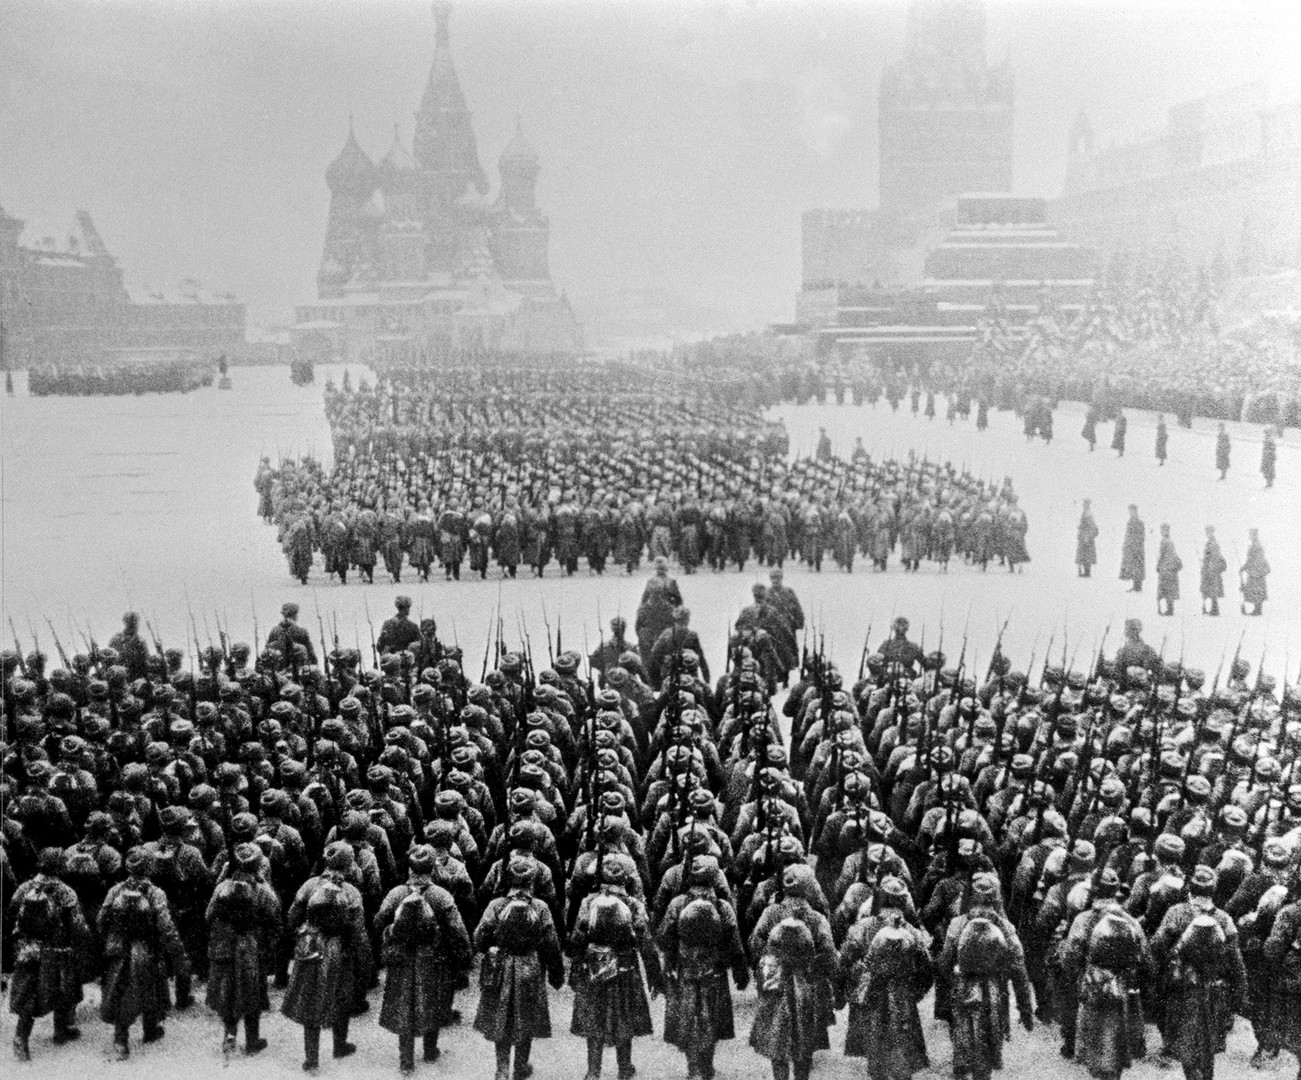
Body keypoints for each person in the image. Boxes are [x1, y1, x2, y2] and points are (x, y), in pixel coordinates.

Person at [376, 845, 473, 1074]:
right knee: (434, 1000)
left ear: (410, 867)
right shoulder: (441, 895)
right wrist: (463, 958)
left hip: (401, 957)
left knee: (403, 1004)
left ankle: (406, 1061)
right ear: (433, 867)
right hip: (434, 958)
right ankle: (430, 1050)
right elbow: (458, 931)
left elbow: (380, 920)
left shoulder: (396, 893)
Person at [568, 859, 664, 1080]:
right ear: (626, 879)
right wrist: (654, 977)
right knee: (625, 1016)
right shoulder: (634, 905)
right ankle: (624, 1068)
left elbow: (578, 937)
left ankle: (593, 1071)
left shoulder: (589, 902)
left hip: (594, 967)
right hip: (625, 966)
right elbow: (646, 942)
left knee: (594, 1015)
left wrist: (574, 968)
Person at [656, 856, 749, 1080]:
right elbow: (734, 940)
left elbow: (663, 936)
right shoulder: (722, 906)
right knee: (713, 1018)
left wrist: (670, 958)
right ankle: (707, 1066)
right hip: (714, 971)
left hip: (685, 969)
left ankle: (692, 1068)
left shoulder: (678, 903)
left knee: (687, 1017)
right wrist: (739, 969)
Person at [282, 841, 372, 1072]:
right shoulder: (351, 892)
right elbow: (358, 930)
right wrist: (362, 959)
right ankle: (339, 1045)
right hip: (339, 949)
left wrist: (297, 937)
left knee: (312, 1000)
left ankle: (312, 1059)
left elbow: (293, 915)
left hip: (311, 944)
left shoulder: (310, 885)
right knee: (341, 996)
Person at [1149, 867, 1246, 1080]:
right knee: (1208, 1045)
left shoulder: (1176, 912)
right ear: (1213, 890)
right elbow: (1235, 961)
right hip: (1215, 990)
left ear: (1189, 889)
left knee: (1186, 1044)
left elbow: (1156, 947)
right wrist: (1239, 995)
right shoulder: (1224, 918)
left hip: (1181, 989)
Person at [473, 857, 565, 1080]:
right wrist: (556, 971)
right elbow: (551, 943)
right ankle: (520, 1067)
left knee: (501, 1016)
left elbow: (479, 937)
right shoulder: (540, 907)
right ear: (532, 880)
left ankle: (502, 1069)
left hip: (500, 966)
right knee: (527, 1016)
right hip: (530, 966)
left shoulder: (496, 905)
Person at [937, 872, 1034, 1080]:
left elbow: (944, 962)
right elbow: (1018, 968)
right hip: (994, 989)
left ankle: (961, 1063)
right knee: (991, 1039)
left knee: (961, 1033)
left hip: (963, 986)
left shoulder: (957, 924)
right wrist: (1025, 1008)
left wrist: (951, 981)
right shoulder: (1006, 927)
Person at [98, 846, 191, 1060]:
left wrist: (110, 939)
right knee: (154, 985)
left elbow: (101, 920)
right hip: (148, 947)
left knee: (120, 989)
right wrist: (177, 953)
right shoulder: (155, 893)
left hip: (119, 946)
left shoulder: (115, 890)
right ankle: (150, 1029)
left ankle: (121, 1039)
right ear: (150, 866)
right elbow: (166, 925)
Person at [836, 876, 932, 1080]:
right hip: (903, 994)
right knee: (904, 1047)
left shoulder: (863, 926)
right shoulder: (911, 931)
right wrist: (916, 993)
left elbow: (844, 960)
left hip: (872, 992)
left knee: (875, 1048)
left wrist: (848, 988)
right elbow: (926, 967)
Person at [8, 848, 90, 1060]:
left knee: (29, 992)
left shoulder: (24, 887)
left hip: (29, 947)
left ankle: (21, 1038)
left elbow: (12, 911)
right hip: (57, 947)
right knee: (64, 986)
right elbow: (78, 925)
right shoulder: (65, 891)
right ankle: (60, 1032)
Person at [205, 841, 281, 1056]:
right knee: (251, 992)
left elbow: (208, 916)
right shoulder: (264, 890)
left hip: (225, 943)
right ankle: (252, 1040)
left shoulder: (222, 887)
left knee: (228, 991)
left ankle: (229, 1036)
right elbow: (274, 918)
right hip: (250, 944)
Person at [635, 558, 683, 670]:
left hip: (651, 629)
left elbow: (643, 600)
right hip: (666, 623)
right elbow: (679, 601)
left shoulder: (651, 582)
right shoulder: (671, 582)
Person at [267, 602, 317, 667]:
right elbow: (312, 656)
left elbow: (267, 652)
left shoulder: (274, 631)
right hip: (298, 671)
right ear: (295, 615)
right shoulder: (302, 632)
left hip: (278, 671)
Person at [107, 612, 151, 680]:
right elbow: (109, 660)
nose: (135, 625)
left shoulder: (141, 641)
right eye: (132, 623)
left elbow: (146, 661)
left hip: (138, 678)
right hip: (119, 678)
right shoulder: (116, 639)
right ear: (126, 623)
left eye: (136, 623)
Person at [1240, 529, 1270, 616]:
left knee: (1257, 590)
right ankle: (1257, 609)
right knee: (1255, 590)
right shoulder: (1254, 545)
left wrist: (1249, 568)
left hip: (1257, 572)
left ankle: (1258, 610)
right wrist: (1244, 567)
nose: (1249, 536)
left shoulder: (1257, 546)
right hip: (1255, 571)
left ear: (1254, 535)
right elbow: (1250, 560)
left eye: (1251, 534)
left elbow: (1256, 559)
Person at [1199, 526, 1227, 616]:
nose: (1208, 534)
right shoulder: (1210, 543)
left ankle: (1215, 610)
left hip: (1212, 569)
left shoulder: (1213, 543)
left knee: (1213, 588)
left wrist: (1210, 566)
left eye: (1209, 532)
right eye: (1207, 532)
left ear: (1212, 532)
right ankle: (1213, 609)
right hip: (1209, 568)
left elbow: (1214, 556)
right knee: (1210, 588)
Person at [1156, 524, 1182, 617]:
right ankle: (1170, 609)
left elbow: (1162, 556)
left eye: (1163, 530)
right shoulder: (1170, 541)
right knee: (1169, 589)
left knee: (1166, 589)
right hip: (1170, 569)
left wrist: (1158, 566)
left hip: (1166, 569)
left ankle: (1168, 610)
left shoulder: (1164, 542)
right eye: (1162, 530)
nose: (1162, 532)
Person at [1119, 505, 1145, 593]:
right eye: (1129, 511)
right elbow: (1127, 534)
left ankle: (1138, 586)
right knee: (1133, 567)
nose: (1130, 512)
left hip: (1137, 548)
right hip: (1130, 547)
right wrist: (1125, 544)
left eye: (1132, 511)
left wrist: (1135, 544)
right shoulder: (1129, 522)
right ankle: (1135, 586)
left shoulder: (1139, 522)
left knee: (1137, 566)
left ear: (1135, 511)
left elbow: (1142, 536)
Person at [1076, 500, 1099, 577]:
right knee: (1084, 554)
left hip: (1087, 536)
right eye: (1083, 504)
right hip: (1084, 536)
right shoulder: (1085, 512)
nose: (1084, 505)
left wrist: (1087, 536)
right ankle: (1085, 572)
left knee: (1086, 555)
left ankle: (1087, 572)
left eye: (1085, 504)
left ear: (1088, 505)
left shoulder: (1088, 513)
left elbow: (1091, 526)